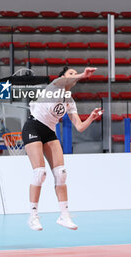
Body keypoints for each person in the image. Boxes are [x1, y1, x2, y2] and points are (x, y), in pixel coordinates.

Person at [22, 67, 103, 231]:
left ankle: (64, 216)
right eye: (70, 74)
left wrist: (91, 118)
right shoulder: (54, 87)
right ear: (63, 77)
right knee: (40, 173)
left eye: (75, 74)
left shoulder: (69, 101)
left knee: (61, 173)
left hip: (50, 133)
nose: (73, 77)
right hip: (33, 128)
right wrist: (83, 75)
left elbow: (79, 127)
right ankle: (33, 216)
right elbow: (62, 81)